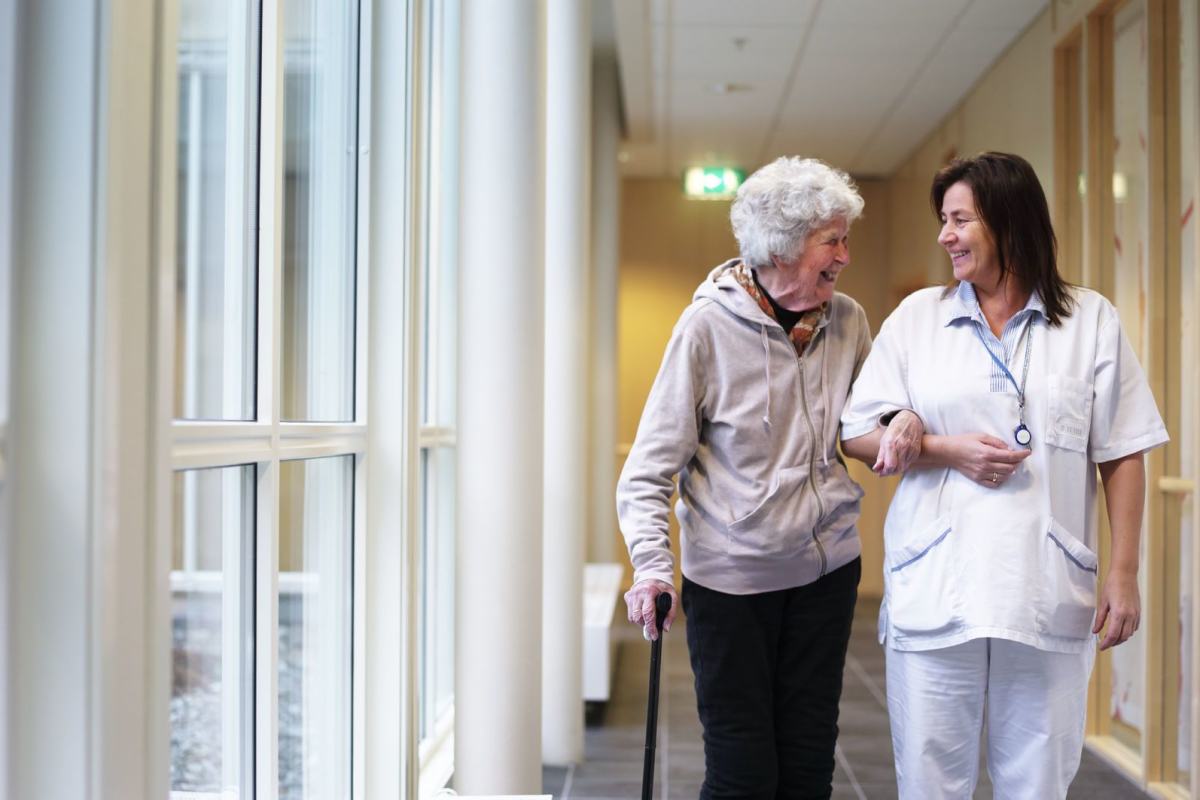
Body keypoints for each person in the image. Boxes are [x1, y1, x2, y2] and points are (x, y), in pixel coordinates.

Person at [841, 151, 1168, 799]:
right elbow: (856, 433)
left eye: (960, 220)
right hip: (939, 588)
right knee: (931, 783)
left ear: (1009, 221)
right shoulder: (918, 320)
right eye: (943, 220)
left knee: (1038, 783)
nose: (946, 236)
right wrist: (943, 447)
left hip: (1043, 591)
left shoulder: (1090, 322)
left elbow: (1123, 451)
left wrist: (1124, 573)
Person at [617, 156, 919, 799]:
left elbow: (873, 412)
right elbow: (647, 470)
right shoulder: (705, 329)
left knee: (808, 766)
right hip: (732, 580)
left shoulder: (848, 321)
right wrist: (651, 566)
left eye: (845, 239)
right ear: (781, 248)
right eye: (832, 241)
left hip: (826, 573)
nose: (845, 256)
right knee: (743, 773)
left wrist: (906, 418)